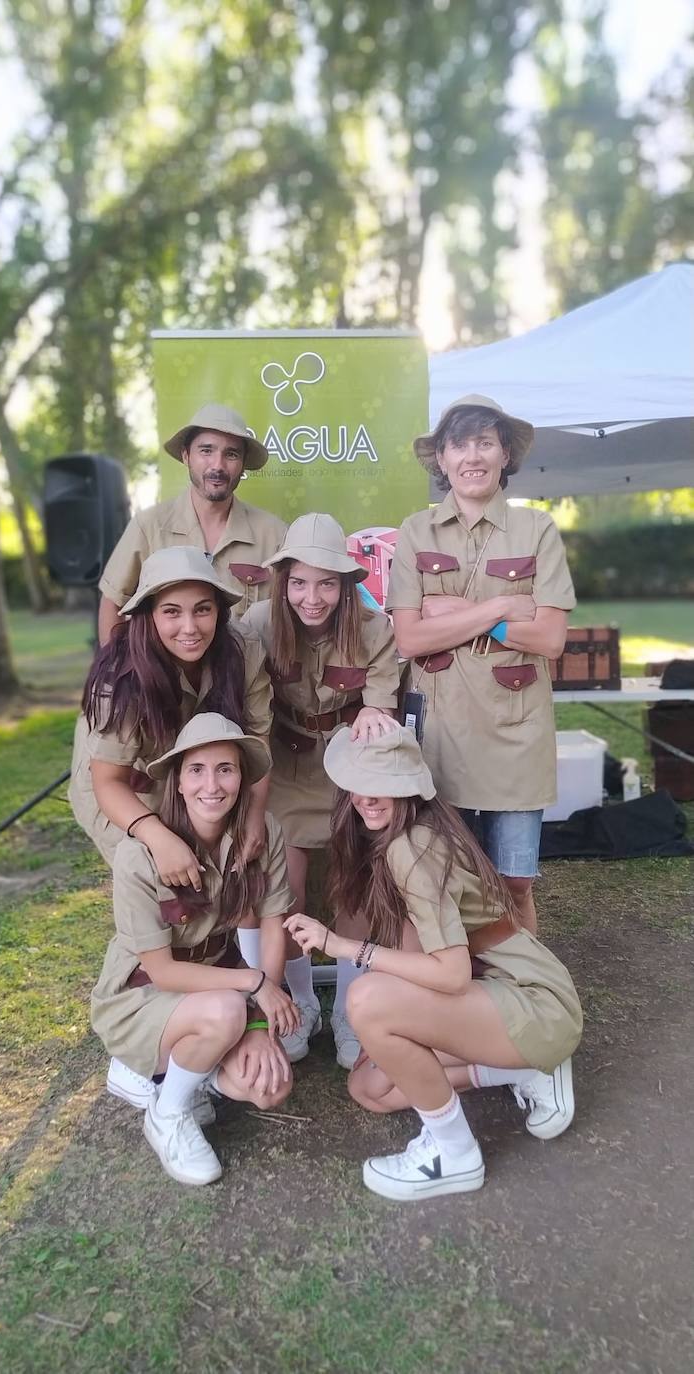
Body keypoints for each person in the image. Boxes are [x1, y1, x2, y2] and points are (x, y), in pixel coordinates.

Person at [285, 724, 582, 1203]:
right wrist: (389, 1024)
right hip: (497, 1000)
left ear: (410, 785)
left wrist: (345, 948)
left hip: (533, 1001)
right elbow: (414, 953)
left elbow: (450, 974)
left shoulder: (413, 849)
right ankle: (525, 1070)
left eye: (385, 781)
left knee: (366, 998)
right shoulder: (398, 841)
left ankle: (454, 1154)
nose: (368, 797)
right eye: (360, 781)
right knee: (371, 1087)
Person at [386, 394, 575, 935]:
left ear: (505, 454)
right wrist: (497, 608)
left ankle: (529, 995)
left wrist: (465, 617)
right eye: (460, 443)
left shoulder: (536, 530)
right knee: (443, 878)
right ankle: (457, 989)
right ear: (442, 459)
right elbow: (411, 635)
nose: (473, 456)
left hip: (516, 736)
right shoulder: (416, 532)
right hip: (440, 737)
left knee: (514, 882)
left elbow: (551, 638)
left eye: (485, 442)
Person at [91, 714, 299, 1186]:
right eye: (197, 770)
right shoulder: (140, 854)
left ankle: (173, 1073)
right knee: (225, 1012)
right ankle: (168, 1114)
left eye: (225, 768)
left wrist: (262, 1028)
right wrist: (255, 985)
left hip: (214, 986)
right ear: (179, 783)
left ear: (242, 777)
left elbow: (272, 928)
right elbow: (162, 973)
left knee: (270, 1087)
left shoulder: (263, 834)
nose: (212, 784)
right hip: (142, 998)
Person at [242, 513, 400, 1065]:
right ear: (282, 580)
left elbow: (381, 706)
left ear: (347, 584)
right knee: (286, 890)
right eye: (301, 582)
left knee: (354, 885)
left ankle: (349, 1006)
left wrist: (374, 714)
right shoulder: (256, 625)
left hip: (347, 769)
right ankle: (304, 1000)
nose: (313, 597)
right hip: (282, 769)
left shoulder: (374, 629)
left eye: (327, 583)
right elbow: (249, 718)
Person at [69, 546, 273, 888]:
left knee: (229, 875)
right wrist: (158, 837)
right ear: (149, 615)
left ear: (219, 612)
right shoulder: (122, 677)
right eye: (172, 612)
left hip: (199, 778)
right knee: (162, 885)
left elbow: (258, 739)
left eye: (202, 610)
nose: (190, 627)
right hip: (130, 787)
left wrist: (253, 815)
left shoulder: (244, 648)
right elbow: (108, 781)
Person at [97, 403, 286, 643]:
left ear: (243, 463)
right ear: (186, 456)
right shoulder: (149, 526)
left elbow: (293, 615)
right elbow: (113, 601)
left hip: (249, 677)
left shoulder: (274, 534)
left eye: (231, 454)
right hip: (166, 679)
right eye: (206, 451)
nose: (217, 465)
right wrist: (112, 673)